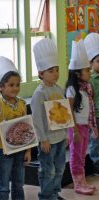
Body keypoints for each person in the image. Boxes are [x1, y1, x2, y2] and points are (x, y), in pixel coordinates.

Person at [0, 56, 31, 200]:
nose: (15, 88)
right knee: (3, 184)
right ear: (0, 86)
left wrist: (28, 150)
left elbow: (28, 128)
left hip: (20, 149)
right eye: (11, 85)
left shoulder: (22, 104)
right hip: (4, 152)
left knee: (19, 183)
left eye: (17, 84)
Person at [31, 38, 67, 200]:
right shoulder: (40, 93)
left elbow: (63, 114)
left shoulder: (59, 89)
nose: (55, 74)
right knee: (48, 170)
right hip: (48, 140)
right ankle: (46, 195)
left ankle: (54, 192)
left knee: (59, 168)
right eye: (51, 71)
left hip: (60, 137)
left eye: (57, 70)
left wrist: (66, 133)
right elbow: (37, 119)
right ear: (41, 73)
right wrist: (42, 139)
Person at [65, 40, 98, 195]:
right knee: (75, 155)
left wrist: (93, 127)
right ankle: (77, 183)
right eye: (87, 70)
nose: (89, 72)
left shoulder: (87, 87)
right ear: (78, 73)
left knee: (82, 154)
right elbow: (70, 111)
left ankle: (82, 180)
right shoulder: (72, 90)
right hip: (76, 127)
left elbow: (90, 108)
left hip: (85, 126)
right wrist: (74, 130)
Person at [84, 33, 99, 175]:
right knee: (95, 140)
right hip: (96, 116)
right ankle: (96, 165)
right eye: (98, 61)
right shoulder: (91, 80)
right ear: (91, 63)